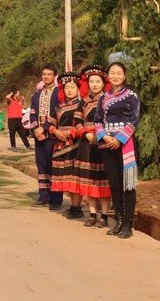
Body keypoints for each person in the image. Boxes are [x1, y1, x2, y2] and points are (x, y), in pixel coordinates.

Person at [94, 62, 139, 239]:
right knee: (114, 184)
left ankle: (128, 223)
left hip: (125, 144)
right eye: (112, 73)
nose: (115, 76)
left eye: (119, 73)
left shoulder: (132, 96)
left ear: (124, 76)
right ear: (108, 76)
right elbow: (98, 121)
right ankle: (118, 220)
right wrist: (105, 137)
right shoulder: (103, 97)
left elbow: (134, 120)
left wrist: (119, 139)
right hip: (107, 145)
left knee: (128, 185)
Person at [74, 65, 111, 228]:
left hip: (104, 142)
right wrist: (85, 133)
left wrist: (100, 134)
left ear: (104, 83)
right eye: (91, 82)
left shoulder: (109, 99)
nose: (94, 84)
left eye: (98, 81)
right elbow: (76, 121)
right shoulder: (84, 101)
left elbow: (112, 121)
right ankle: (92, 213)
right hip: (87, 143)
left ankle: (104, 216)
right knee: (89, 180)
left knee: (103, 180)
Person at [49, 71, 84, 219]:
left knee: (75, 177)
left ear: (78, 89)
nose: (70, 90)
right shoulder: (59, 107)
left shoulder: (82, 105)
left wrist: (71, 133)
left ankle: (76, 207)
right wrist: (55, 132)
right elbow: (50, 124)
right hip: (60, 145)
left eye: (73, 87)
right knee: (66, 178)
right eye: (67, 87)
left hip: (76, 145)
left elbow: (83, 123)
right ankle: (73, 205)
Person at [29, 65, 61, 210]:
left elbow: (58, 112)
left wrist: (45, 127)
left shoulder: (59, 93)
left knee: (53, 166)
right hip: (39, 136)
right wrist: (36, 129)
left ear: (54, 76)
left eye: (49, 74)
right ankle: (44, 196)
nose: (46, 76)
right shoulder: (36, 95)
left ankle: (56, 199)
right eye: (44, 74)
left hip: (53, 136)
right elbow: (32, 113)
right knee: (41, 165)